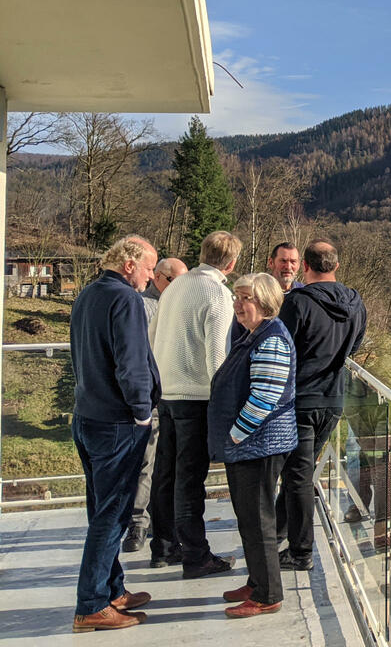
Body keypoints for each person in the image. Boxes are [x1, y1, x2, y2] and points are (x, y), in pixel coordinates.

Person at [69, 235, 159, 632]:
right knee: (112, 514)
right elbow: (132, 362)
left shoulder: (88, 294)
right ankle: (91, 605)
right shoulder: (125, 300)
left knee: (101, 508)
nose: (151, 276)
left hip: (87, 418)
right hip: (118, 423)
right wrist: (142, 412)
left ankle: (111, 589)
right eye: (148, 267)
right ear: (128, 265)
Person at [149, 231, 241, 578]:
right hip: (195, 397)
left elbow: (152, 335)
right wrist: (225, 405)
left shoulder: (174, 286)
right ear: (230, 264)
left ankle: (164, 547)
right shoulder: (217, 294)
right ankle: (197, 556)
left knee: (166, 474)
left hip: (167, 393)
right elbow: (217, 355)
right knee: (189, 480)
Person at [208, 273, 298, 618]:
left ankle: (267, 594)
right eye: (236, 297)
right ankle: (257, 580)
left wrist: (234, 434)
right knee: (248, 517)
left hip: (258, 445)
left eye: (244, 298)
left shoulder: (271, 338)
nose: (237, 304)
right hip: (249, 445)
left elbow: (264, 398)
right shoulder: (253, 334)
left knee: (258, 520)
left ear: (264, 302)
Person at [276, 240, 366, 571]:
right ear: (336, 266)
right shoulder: (356, 303)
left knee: (296, 476)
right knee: (300, 473)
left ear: (305, 267)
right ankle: (277, 532)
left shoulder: (297, 302)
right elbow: (354, 345)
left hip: (299, 399)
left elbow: (282, 348)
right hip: (334, 398)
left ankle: (300, 552)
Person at [123, 257, 187, 554]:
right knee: (146, 463)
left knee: (169, 465)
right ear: (160, 278)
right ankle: (138, 523)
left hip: (175, 394)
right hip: (152, 398)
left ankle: (167, 529)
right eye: (178, 281)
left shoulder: (179, 303)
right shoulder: (142, 306)